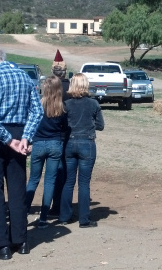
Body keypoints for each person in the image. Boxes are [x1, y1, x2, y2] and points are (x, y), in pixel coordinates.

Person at [0, 47, 43, 260]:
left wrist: (8, 139)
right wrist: (25, 137)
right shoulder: (24, 76)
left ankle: (0, 245)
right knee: (17, 188)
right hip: (19, 132)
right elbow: (37, 111)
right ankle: (21, 240)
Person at [59, 73, 104, 228]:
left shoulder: (67, 104)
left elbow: (62, 125)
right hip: (87, 143)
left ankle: (64, 216)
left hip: (70, 143)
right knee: (84, 182)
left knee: (68, 181)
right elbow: (101, 125)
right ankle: (84, 219)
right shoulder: (93, 104)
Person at [25, 75, 67, 228]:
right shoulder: (61, 108)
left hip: (38, 144)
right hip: (55, 144)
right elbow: (64, 128)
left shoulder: (37, 106)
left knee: (33, 180)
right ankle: (43, 218)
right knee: (50, 181)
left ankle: (23, 213)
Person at [49, 49, 70, 217]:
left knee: (51, 173)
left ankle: (51, 206)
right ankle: (60, 206)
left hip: (48, 134)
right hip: (65, 134)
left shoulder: (47, 88)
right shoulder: (69, 87)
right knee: (62, 171)